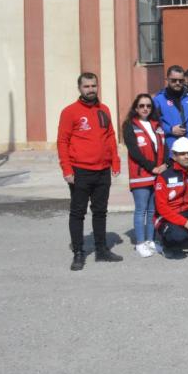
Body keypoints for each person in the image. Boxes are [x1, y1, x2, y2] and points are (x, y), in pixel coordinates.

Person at [57, 72, 123, 271]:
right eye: (86, 86)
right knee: (78, 213)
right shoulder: (70, 112)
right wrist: (66, 169)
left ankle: (102, 250)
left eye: (93, 86)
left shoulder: (104, 109)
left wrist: (115, 162)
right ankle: (79, 252)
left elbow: (110, 136)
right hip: (80, 171)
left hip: (103, 170)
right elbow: (62, 142)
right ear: (79, 88)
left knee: (100, 211)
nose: (91, 89)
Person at [123, 93, 167, 258]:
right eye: (141, 106)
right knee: (141, 210)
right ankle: (140, 243)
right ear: (136, 108)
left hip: (157, 174)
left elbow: (164, 147)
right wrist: (152, 167)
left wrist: (165, 165)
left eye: (148, 106)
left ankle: (150, 240)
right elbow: (134, 151)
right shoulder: (129, 125)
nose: (145, 109)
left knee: (152, 211)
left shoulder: (157, 124)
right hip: (141, 174)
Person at [153, 65, 188, 159]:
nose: (177, 83)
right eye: (174, 80)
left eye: (180, 81)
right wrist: (170, 130)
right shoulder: (158, 100)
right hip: (171, 151)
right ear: (167, 79)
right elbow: (153, 125)